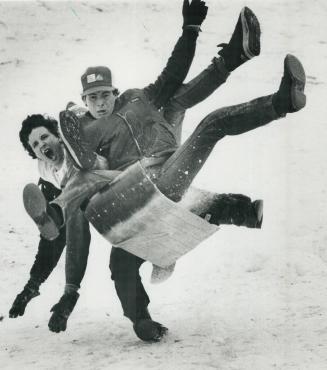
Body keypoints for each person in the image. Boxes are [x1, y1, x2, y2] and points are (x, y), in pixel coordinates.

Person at [11, 2, 269, 342]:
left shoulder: (90, 123)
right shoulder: (53, 175)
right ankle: (142, 319)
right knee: (120, 261)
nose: (43, 144)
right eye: (36, 145)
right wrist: (55, 290)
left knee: (173, 101)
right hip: (126, 202)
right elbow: (64, 242)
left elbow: (170, 76)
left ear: (59, 132)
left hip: (152, 162)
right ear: (33, 154)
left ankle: (235, 57)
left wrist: (189, 27)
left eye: (45, 135)